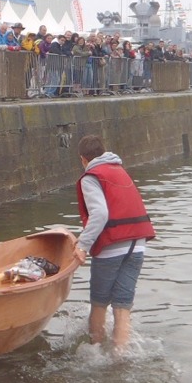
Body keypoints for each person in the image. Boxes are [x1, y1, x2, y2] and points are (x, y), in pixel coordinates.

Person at [73, 135, 155, 352]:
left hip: (112, 248)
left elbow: (100, 214)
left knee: (99, 303)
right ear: (104, 152)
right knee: (122, 306)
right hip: (137, 245)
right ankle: (120, 359)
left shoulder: (91, 177)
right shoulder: (119, 170)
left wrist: (82, 245)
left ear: (83, 159)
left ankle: (95, 353)